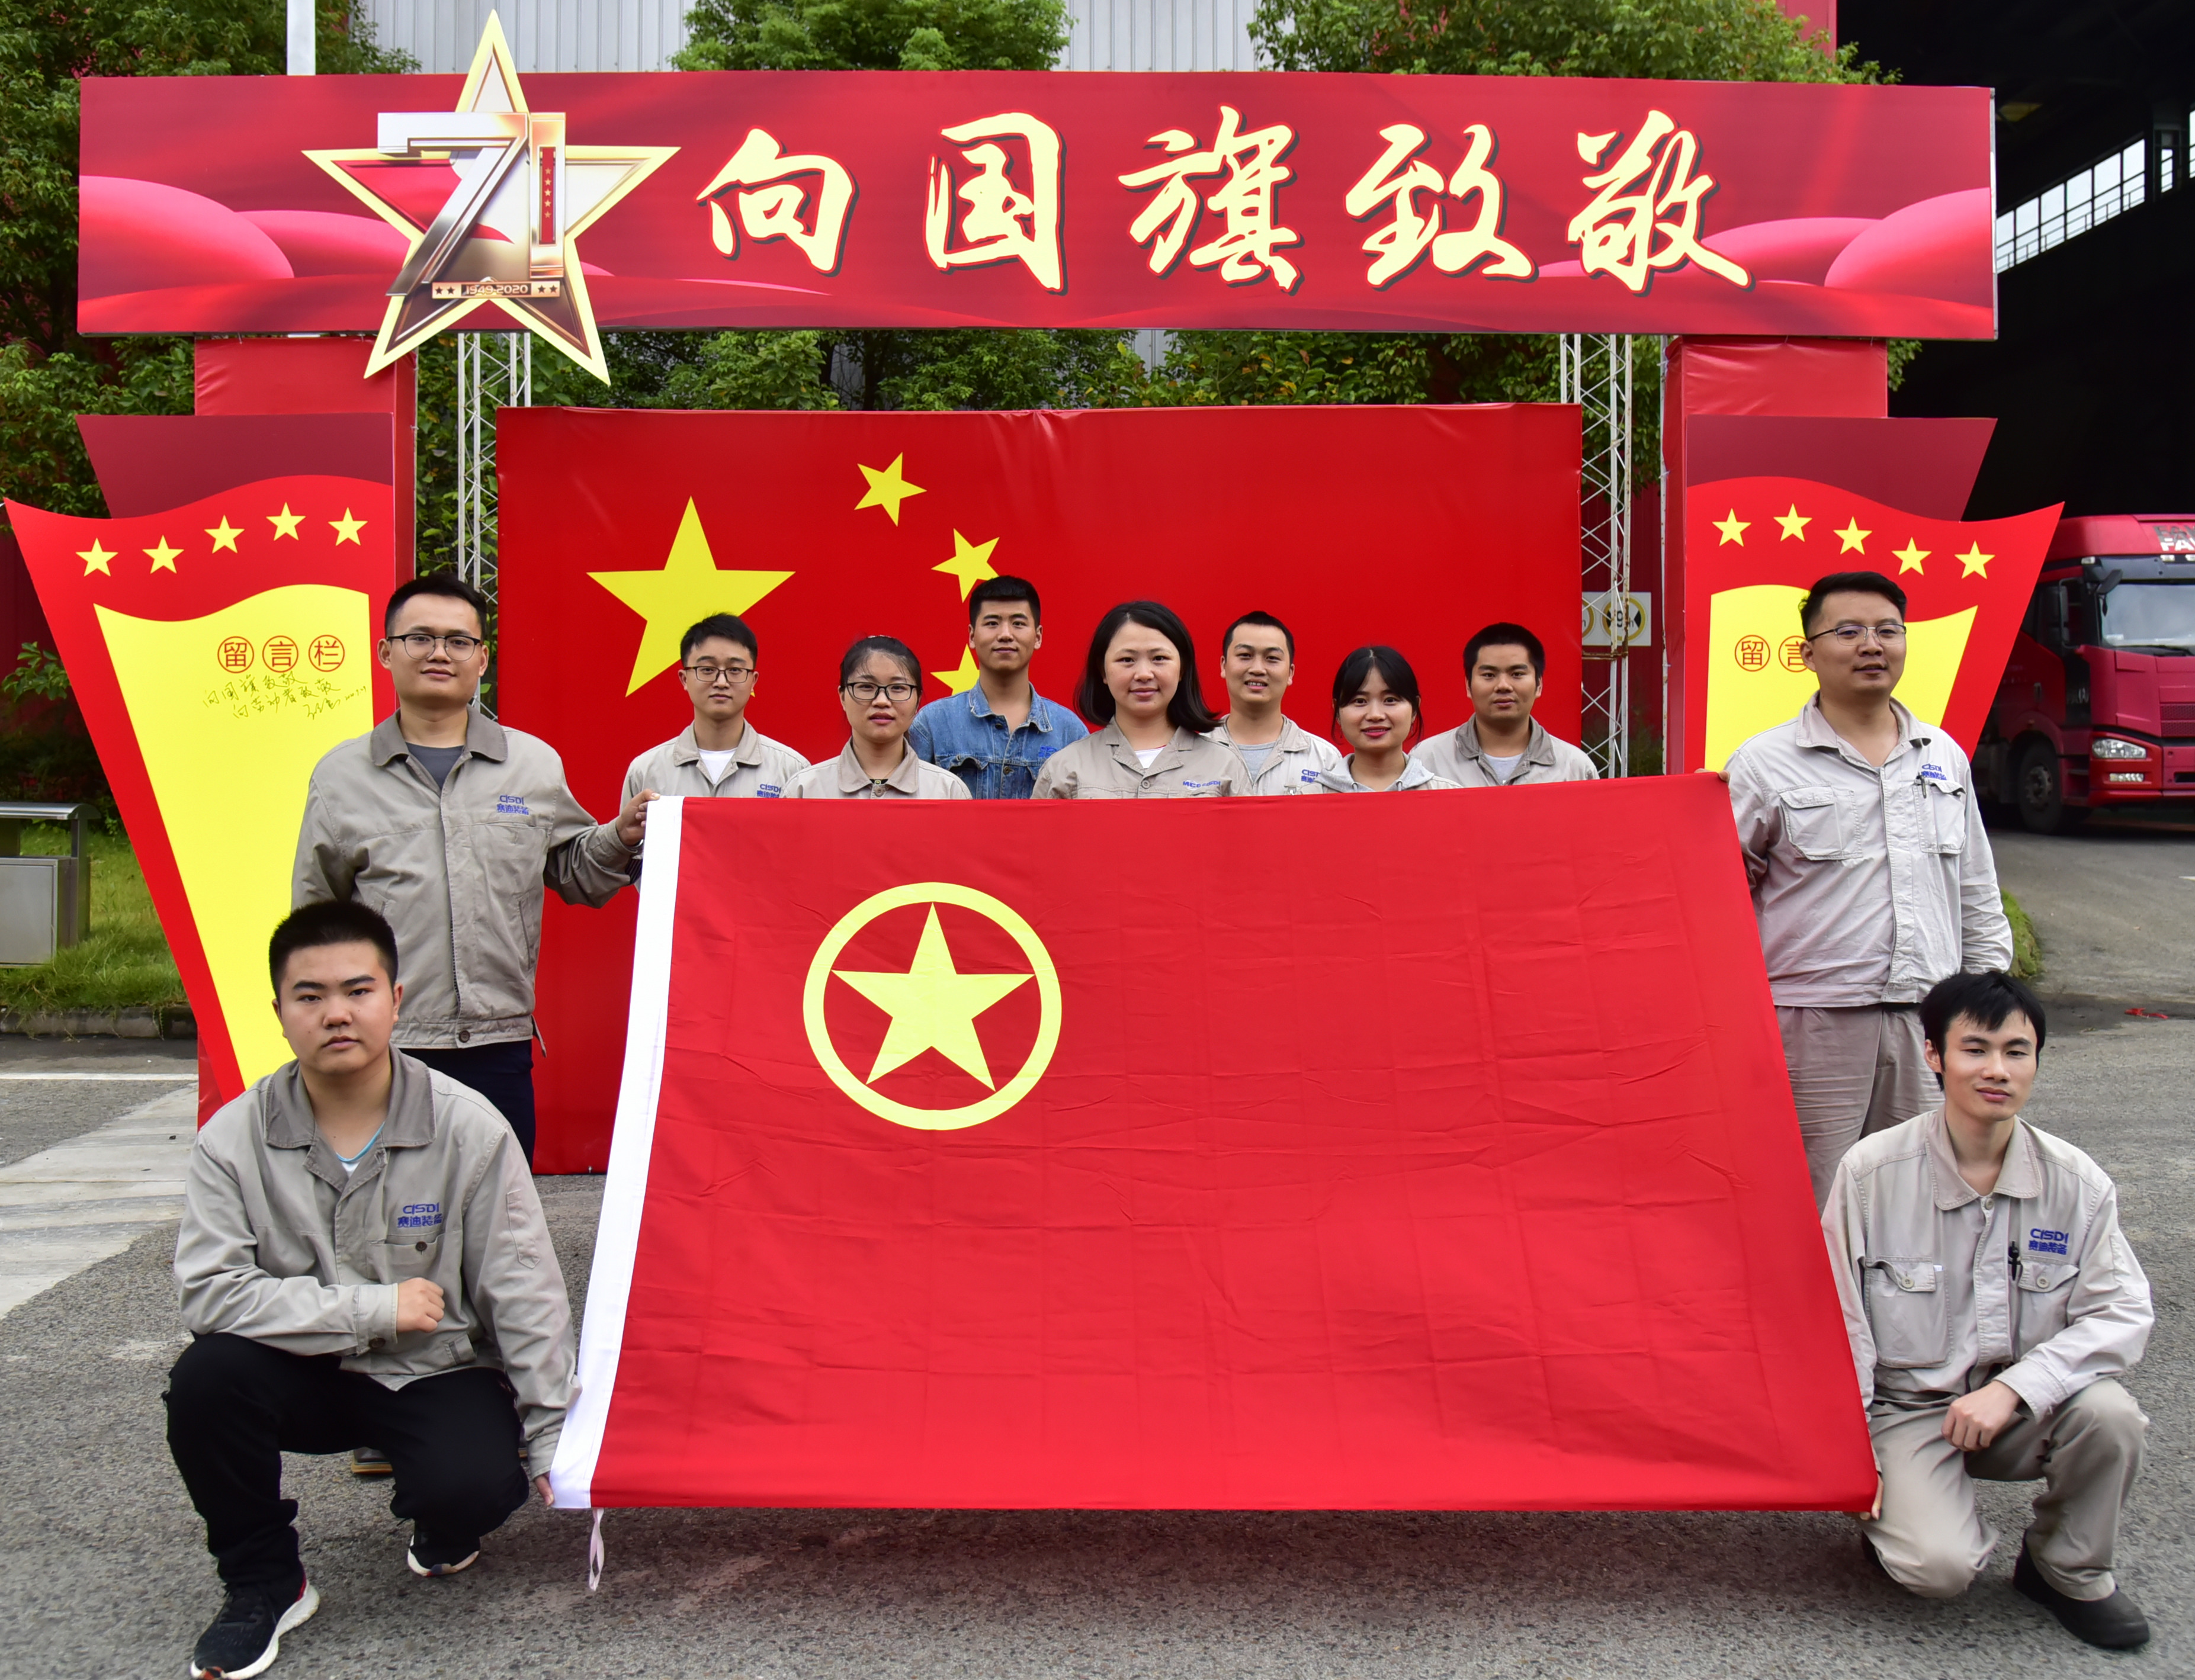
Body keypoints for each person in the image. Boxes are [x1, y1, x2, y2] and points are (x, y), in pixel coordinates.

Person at [166, 901, 572, 1679]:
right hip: (298, 1372)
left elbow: (522, 1286)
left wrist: (553, 1431)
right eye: (310, 995)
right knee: (205, 1380)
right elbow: (211, 1294)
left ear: (396, 997)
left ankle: (442, 1519)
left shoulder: (468, 1127)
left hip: (432, 1368)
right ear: (279, 1011)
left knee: (474, 1485)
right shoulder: (232, 1138)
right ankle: (264, 1582)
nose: (336, 1013)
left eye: (358, 990)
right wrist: (374, 1308)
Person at [1826, 971, 2152, 1650]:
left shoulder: (2077, 1183)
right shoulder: (1870, 1174)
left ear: (2035, 1060)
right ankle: (1906, 1525)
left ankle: (2064, 1567)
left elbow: (2121, 1312)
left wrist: (2014, 1388)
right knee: (1937, 1568)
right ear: (1934, 1054)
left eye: (2016, 1050)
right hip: (1908, 1409)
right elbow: (1839, 1320)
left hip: (2021, 1407)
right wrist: (1847, 1456)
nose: (1996, 1069)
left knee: (2111, 1414)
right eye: (1975, 1048)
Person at [293, 574, 648, 1167]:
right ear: (386, 652)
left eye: (459, 641)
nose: (439, 653)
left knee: (497, 1211)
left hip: (497, 1045)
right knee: (384, 1207)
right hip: (385, 1045)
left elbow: (577, 873)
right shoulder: (341, 777)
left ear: (481, 659)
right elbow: (314, 921)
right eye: (420, 638)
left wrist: (620, 835)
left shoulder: (531, 765)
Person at [1727, 571, 2013, 1206]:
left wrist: (1986, 1007)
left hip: (1927, 1019)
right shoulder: (1764, 763)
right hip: (1811, 1024)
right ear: (1808, 653)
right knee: (1811, 1198)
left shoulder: (1942, 755)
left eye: (1888, 630)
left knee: (1922, 1194)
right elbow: (1721, 899)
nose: (1871, 645)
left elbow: (1975, 888)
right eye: (1849, 631)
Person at [1031, 601, 1248, 798]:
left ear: (1182, 668)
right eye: (1127, 660)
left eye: (1159, 658)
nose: (1144, 674)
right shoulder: (1066, 768)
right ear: (1103, 671)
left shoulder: (1224, 766)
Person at [909, 576, 1087, 798]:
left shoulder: (1069, 732)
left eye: (1018, 623)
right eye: (992, 623)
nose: (1005, 635)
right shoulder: (932, 724)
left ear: (1038, 637)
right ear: (972, 636)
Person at [621, 613, 808, 803]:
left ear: (753, 681)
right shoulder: (646, 772)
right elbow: (629, 824)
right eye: (708, 670)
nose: (721, 682)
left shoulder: (792, 771)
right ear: (684, 679)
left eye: (735, 670)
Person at [1414, 622, 1600, 787]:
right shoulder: (1428, 761)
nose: (1503, 686)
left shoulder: (1574, 769)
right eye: (1489, 675)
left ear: (1539, 685)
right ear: (1468, 686)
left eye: (1517, 674)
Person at [786, 637, 972, 799]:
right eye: (866, 687)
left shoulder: (948, 791)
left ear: (917, 701)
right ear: (843, 697)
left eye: (898, 688)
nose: (882, 701)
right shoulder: (805, 789)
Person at [1204, 610, 1344, 794]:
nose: (1258, 669)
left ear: (1290, 673)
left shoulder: (1324, 760)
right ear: (1224, 666)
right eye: (1245, 655)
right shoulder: (1193, 754)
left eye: (1272, 658)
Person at [1301, 646, 1462, 792]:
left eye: (1390, 700)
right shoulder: (1309, 799)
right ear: (1337, 711)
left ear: (1415, 709)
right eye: (1360, 701)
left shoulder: (1448, 796)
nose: (1375, 715)